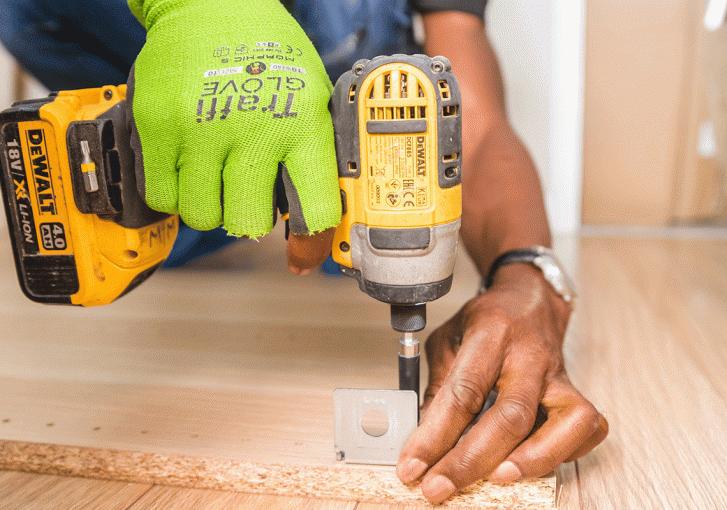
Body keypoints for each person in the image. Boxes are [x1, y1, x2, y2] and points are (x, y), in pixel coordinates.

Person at [0, 0, 608, 504]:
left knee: (249, 236)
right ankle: (189, 145)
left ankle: (262, 172)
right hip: (145, 46)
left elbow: (464, 113)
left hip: (337, 39)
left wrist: (525, 272)